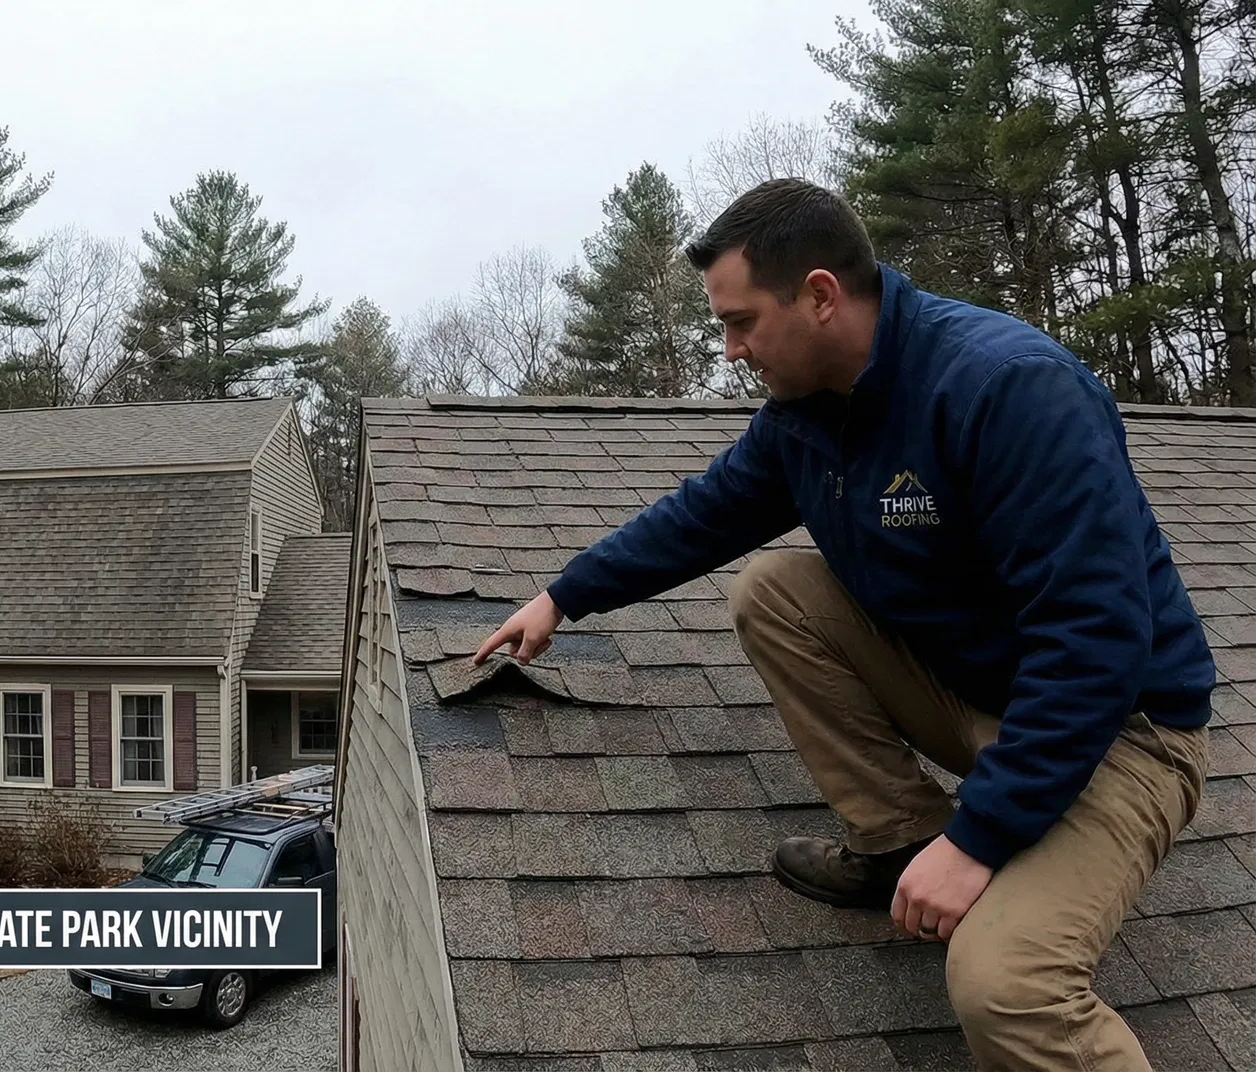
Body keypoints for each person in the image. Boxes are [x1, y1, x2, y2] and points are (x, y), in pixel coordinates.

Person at [473, 178, 1216, 1070]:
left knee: (1008, 990)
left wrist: (979, 840)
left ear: (820, 295)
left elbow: (1095, 639)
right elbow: (704, 514)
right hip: (986, 692)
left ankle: (957, 851)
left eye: (742, 321)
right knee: (775, 590)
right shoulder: (807, 414)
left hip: (1119, 735)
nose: (731, 348)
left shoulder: (1007, 389)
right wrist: (564, 595)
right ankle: (901, 841)